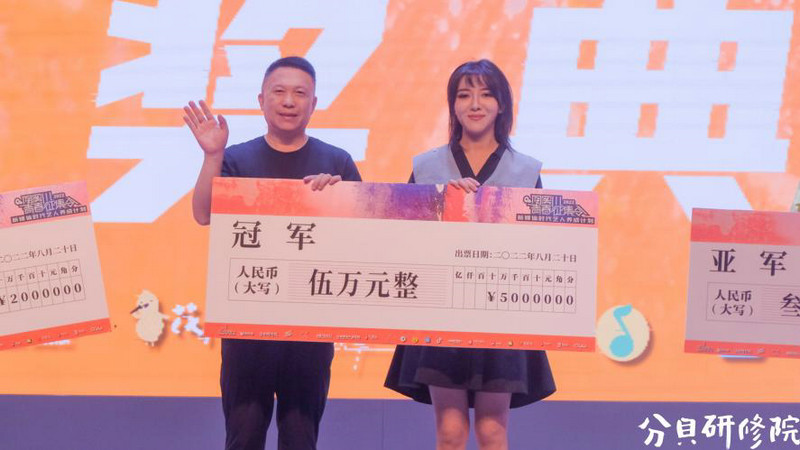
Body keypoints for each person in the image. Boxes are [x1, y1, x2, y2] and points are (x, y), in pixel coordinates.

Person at [184, 56, 361, 450]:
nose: (289, 101)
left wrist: (338, 199)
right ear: (261, 100)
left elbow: (362, 238)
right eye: (279, 92)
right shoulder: (235, 159)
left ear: (314, 104)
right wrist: (212, 156)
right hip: (247, 326)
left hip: (311, 328)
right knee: (243, 436)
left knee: (301, 438)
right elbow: (203, 214)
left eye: (300, 93)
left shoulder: (337, 163)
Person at [384, 59, 556, 450]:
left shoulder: (525, 171)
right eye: (464, 95)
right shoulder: (427, 167)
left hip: (502, 314)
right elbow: (403, 237)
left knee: (493, 432)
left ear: (502, 105)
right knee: (450, 431)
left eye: (486, 94)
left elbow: (543, 247)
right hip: (440, 311)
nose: (475, 104)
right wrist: (443, 202)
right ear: (453, 105)